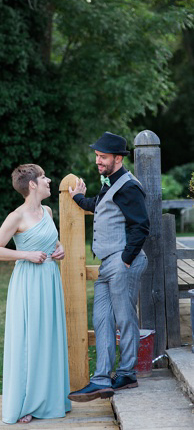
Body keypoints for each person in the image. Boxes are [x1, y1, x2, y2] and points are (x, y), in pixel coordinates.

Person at [68, 132, 150, 401]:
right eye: (97, 156)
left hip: (122, 261)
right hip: (108, 264)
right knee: (102, 318)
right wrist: (79, 199)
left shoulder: (129, 185)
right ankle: (101, 379)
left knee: (124, 318)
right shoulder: (110, 183)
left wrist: (126, 259)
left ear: (117, 158)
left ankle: (126, 373)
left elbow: (141, 226)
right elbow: (100, 207)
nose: (97, 161)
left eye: (102, 157)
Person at [0, 164, 70, 424]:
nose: (49, 180)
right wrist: (26, 254)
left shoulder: (47, 211)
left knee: (49, 336)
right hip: (28, 282)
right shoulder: (17, 216)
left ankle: (49, 398)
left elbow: (52, 240)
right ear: (32, 184)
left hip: (49, 279)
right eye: (44, 177)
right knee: (30, 339)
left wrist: (60, 249)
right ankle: (26, 402)